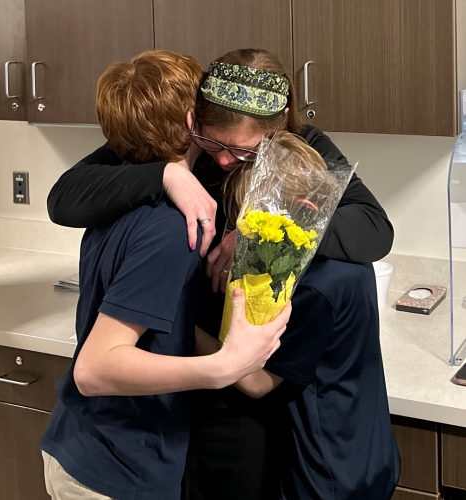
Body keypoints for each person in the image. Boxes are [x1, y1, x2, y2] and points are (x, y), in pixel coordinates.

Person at [46, 48, 395, 499]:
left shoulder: (303, 148)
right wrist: (168, 176)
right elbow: (64, 196)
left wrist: (257, 232)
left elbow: (372, 228)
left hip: (233, 379)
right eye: (215, 144)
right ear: (194, 122)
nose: (225, 161)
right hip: (189, 378)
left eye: (243, 152)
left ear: (281, 125)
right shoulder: (180, 146)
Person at [39, 50, 291, 500]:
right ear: (193, 120)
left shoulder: (119, 196)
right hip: (116, 467)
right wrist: (225, 364)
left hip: (85, 445)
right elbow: (94, 369)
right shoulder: (174, 227)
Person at [208, 131, 401, 499]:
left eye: (254, 228)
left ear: (306, 211)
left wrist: (184, 328)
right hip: (369, 452)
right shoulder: (354, 264)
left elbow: (256, 383)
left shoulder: (311, 289)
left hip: (324, 473)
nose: (247, 243)